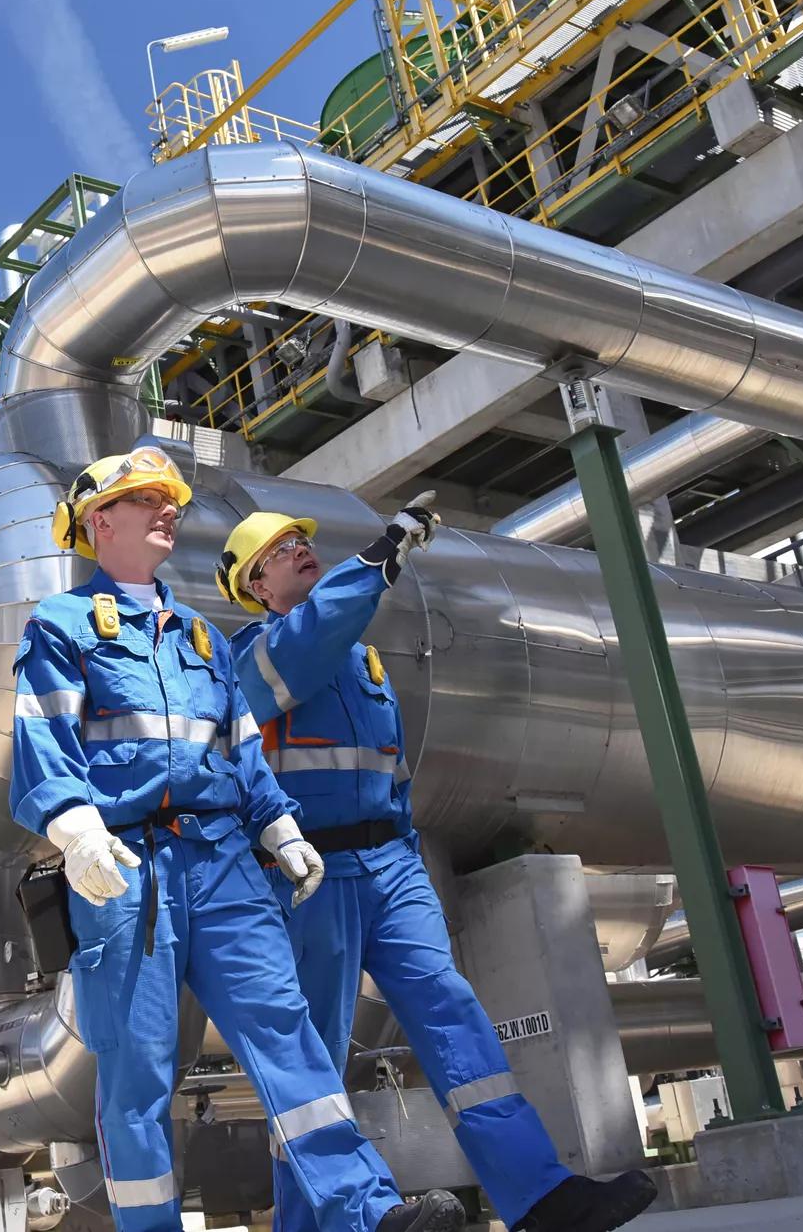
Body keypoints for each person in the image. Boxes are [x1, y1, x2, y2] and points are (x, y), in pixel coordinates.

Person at [11, 447, 465, 1232]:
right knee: (138, 1069)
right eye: (147, 498)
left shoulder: (202, 638)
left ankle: (365, 1212)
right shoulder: (62, 626)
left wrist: (280, 825)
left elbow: (242, 749)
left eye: (171, 499)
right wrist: (76, 826)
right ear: (98, 521)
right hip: (125, 867)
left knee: (286, 1031)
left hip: (223, 860)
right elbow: (43, 739)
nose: (168, 510)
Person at [218, 503, 659, 1232]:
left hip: (391, 863)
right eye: (281, 549)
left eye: (303, 540)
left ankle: (540, 1195)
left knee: (453, 1014)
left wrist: (404, 841)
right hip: (310, 873)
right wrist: (380, 556)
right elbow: (312, 637)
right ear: (254, 585)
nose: (301, 550)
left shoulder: (361, 657)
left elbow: (386, 764)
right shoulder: (257, 656)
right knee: (313, 1060)